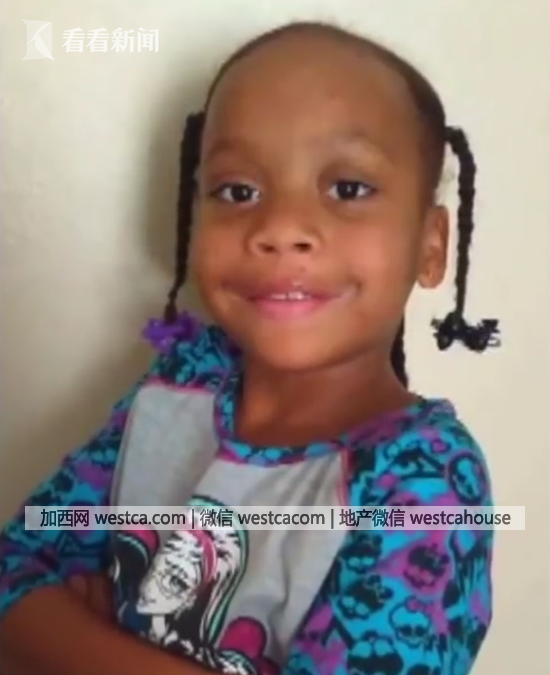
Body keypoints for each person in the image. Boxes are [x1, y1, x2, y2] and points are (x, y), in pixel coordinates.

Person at [0, 20, 500, 675]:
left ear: (431, 245)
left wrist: (78, 637)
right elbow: (14, 569)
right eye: (239, 191)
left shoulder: (424, 481)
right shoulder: (182, 383)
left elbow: (34, 611)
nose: (281, 227)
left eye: (348, 188)